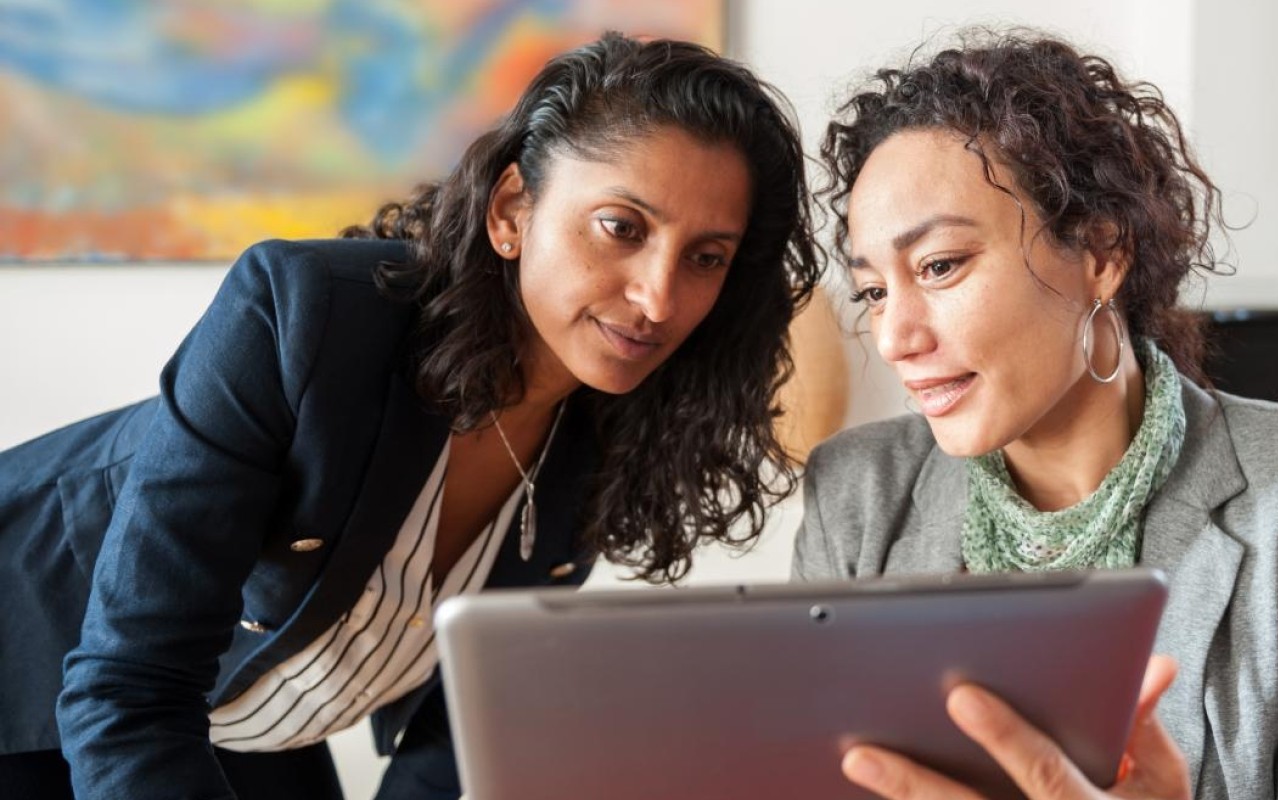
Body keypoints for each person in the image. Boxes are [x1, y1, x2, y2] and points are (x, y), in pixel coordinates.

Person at [0, 32, 820, 799]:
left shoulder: (620, 417)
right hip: (42, 692)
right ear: (511, 212)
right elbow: (129, 692)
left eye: (706, 257)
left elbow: (463, 711)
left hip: (255, 723)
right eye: (621, 227)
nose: (659, 297)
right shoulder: (299, 319)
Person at [796, 28, 1278, 800]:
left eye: (940, 266)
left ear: (1102, 252)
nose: (896, 338)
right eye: (874, 290)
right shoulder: (855, 497)